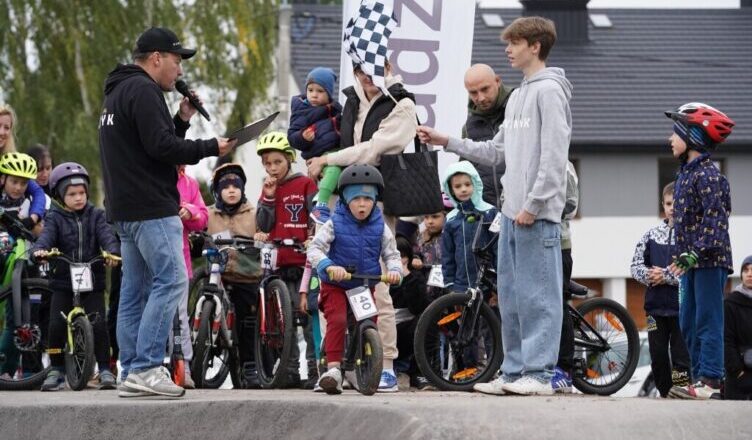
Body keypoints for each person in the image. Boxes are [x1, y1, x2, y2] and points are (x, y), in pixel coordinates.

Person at [417, 16, 572, 396]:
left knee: (540, 296)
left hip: (536, 216)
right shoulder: (518, 95)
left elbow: (554, 157)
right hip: (510, 216)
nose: (508, 49)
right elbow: (494, 152)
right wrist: (446, 140)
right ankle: (516, 372)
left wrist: (534, 205)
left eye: (514, 42)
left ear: (535, 46)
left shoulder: (550, 92)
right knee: (513, 297)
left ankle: (539, 374)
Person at [98, 27, 235, 398]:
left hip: (125, 208)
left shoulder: (118, 91)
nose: (179, 70)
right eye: (176, 60)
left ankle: (131, 369)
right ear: (156, 57)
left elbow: (150, 144)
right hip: (150, 206)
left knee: (135, 289)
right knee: (173, 281)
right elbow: (161, 148)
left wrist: (183, 118)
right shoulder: (143, 90)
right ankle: (146, 367)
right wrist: (211, 146)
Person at [307, 60, 417, 392]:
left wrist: (328, 160)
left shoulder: (402, 104)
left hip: (377, 201)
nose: (368, 79)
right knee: (335, 300)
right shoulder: (351, 99)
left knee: (378, 287)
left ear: (389, 67)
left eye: (375, 70)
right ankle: (335, 364)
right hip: (343, 198)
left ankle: (384, 364)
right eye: (361, 72)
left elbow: (372, 150)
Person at [307, 164, 402, 394]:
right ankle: (333, 371)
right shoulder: (334, 222)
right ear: (347, 200)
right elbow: (315, 249)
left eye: (368, 199)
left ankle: (368, 369)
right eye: (357, 198)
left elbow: (391, 253)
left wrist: (395, 270)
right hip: (336, 284)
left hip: (363, 283)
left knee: (368, 321)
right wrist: (328, 266)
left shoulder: (381, 226)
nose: (362, 204)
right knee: (338, 320)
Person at [665, 102, 735, 400]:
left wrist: (694, 252)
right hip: (691, 263)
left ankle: (711, 380)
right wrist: (682, 253)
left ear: (693, 137)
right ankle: (697, 378)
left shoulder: (707, 175)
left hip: (709, 261)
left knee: (708, 319)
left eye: (675, 133)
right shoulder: (685, 175)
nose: (670, 138)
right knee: (689, 321)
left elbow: (716, 221)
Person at [32, 162, 120, 391]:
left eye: (82, 193)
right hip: (62, 280)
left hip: (93, 279)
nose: (78, 198)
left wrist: (112, 252)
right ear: (60, 196)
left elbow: (107, 236)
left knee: (99, 324)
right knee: (55, 326)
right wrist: (40, 251)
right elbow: (46, 238)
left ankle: (105, 369)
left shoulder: (96, 215)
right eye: (72, 194)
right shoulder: (55, 217)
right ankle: (56, 368)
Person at [254, 131, 318, 388]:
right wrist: (268, 198)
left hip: (305, 262)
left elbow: (316, 215)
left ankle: (315, 370)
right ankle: (289, 370)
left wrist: (312, 236)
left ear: (289, 160)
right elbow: (263, 224)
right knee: (285, 320)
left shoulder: (305, 184)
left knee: (309, 315)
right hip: (280, 264)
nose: (272, 168)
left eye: (277, 162)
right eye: (267, 163)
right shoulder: (269, 188)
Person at [630, 181, 691, 398]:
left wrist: (664, 275)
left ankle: (681, 391)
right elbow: (635, 266)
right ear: (663, 205)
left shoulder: (690, 237)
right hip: (655, 308)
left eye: (677, 203)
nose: (672, 207)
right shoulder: (650, 235)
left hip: (682, 308)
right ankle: (665, 393)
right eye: (668, 203)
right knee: (658, 355)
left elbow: (691, 272)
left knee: (681, 355)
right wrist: (650, 275)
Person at [206, 163, 262, 388]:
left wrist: (262, 236)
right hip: (216, 276)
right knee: (206, 302)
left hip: (245, 274)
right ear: (217, 190)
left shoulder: (254, 213)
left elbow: (264, 232)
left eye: (236, 186)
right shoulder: (209, 213)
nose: (231, 190)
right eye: (226, 186)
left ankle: (249, 365)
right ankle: (202, 348)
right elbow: (196, 229)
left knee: (247, 319)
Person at [0, 153, 45, 378]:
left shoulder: (28, 202)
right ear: (3, 180)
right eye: (13, 182)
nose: (18, 187)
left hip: (18, 265)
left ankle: (6, 369)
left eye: (23, 183)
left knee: (15, 318)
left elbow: (38, 196)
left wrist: (33, 219)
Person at [287, 67, 342, 224]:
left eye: (320, 91)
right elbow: (292, 137)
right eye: (310, 90)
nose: (314, 95)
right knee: (333, 170)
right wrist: (303, 137)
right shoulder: (302, 110)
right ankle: (321, 205)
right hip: (318, 155)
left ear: (329, 94)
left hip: (337, 150)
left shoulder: (337, 110)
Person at [440, 161, 497, 294]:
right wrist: (450, 284)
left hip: (489, 284)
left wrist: (499, 282)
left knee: (492, 314)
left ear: (475, 184)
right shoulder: (450, 219)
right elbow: (447, 254)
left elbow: (498, 249)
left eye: (467, 184)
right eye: (458, 186)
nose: (463, 189)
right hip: (461, 286)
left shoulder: (490, 212)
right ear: (451, 190)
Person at [175, 164, 208, 390]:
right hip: (152, 260)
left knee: (180, 316)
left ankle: (183, 366)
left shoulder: (189, 183)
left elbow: (203, 216)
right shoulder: (148, 174)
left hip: (181, 260)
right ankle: (148, 365)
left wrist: (189, 210)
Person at [460, 64, 512, 207]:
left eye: (485, 89)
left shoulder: (520, 110)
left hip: (522, 212)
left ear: (497, 81)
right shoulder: (469, 127)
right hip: (484, 215)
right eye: (473, 93)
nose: (480, 98)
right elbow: (463, 172)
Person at [552, 161, 579, 393]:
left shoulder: (564, 165)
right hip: (531, 245)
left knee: (558, 305)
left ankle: (565, 368)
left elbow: (570, 205)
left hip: (559, 244)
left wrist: (535, 207)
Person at [390, 236, 430, 390]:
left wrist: (407, 277)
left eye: (401, 257)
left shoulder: (415, 278)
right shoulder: (378, 276)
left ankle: (415, 372)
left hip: (405, 330)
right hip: (383, 329)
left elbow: (419, 308)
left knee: (425, 320)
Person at [0, 105, 48, 229]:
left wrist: (33, 218)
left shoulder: (12, 159)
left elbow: (37, 192)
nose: (2, 132)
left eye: (6, 128)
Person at [724, 255, 752, 400]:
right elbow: (727, 340)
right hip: (737, 377)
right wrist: (738, 372)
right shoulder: (731, 303)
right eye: (746, 270)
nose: (750, 274)